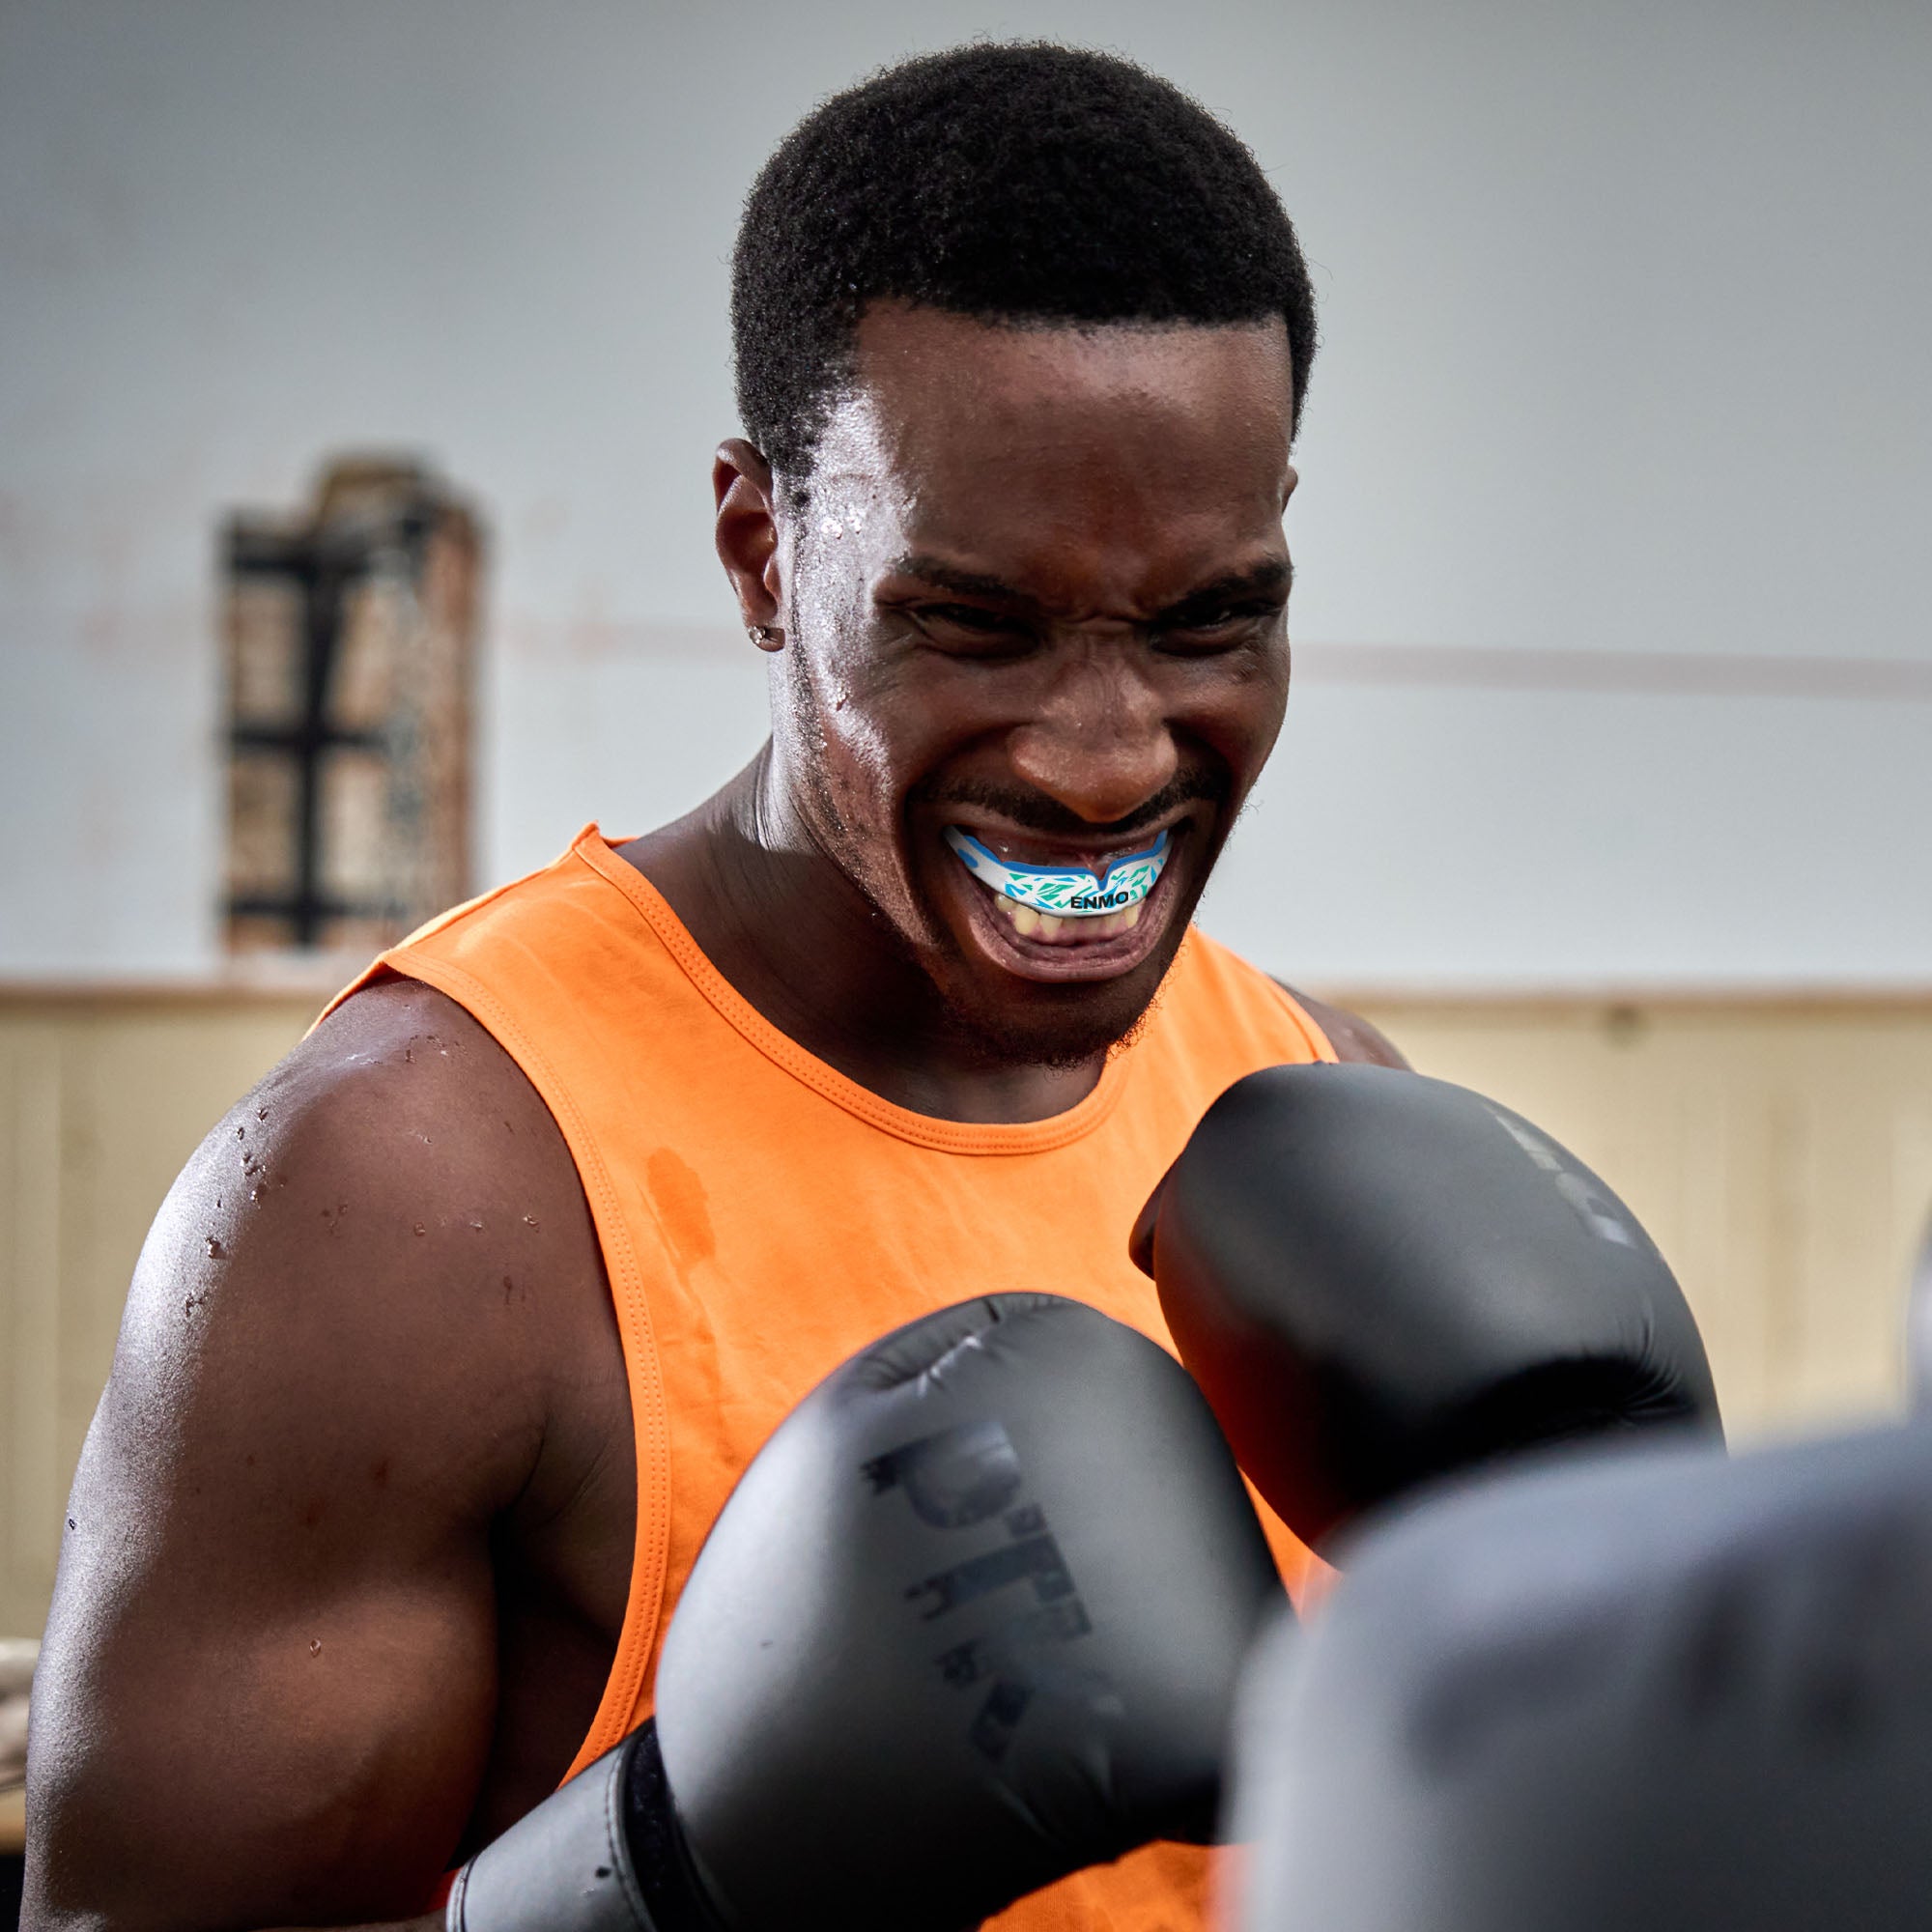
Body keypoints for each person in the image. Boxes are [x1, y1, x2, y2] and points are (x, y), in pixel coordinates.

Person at [25, 43, 1403, 1932]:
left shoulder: (1326, 1104)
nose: (1103, 759)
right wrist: (670, 1867)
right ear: (764, 551)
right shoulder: (412, 1197)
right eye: (971, 623)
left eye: (1208, 621)